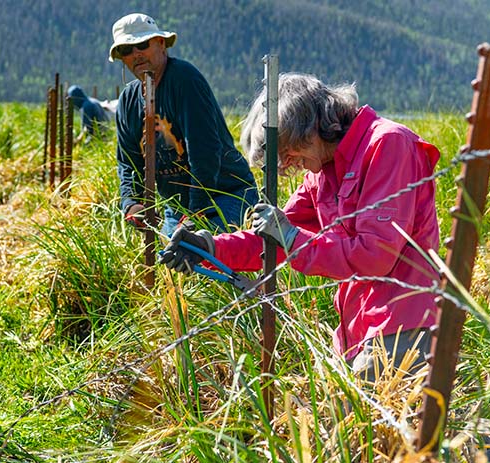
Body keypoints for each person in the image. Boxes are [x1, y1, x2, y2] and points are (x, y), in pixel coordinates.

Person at [159, 73, 442, 381]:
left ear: (312, 128)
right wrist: (210, 248)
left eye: (289, 151)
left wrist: (292, 237)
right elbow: (271, 239)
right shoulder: (323, 169)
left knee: (363, 424)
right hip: (357, 328)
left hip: (403, 326)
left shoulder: (387, 145)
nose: (288, 164)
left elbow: (375, 256)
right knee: (345, 420)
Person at [108, 13, 258, 236]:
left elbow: (204, 151)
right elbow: (128, 162)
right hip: (178, 207)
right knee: (173, 264)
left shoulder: (185, 80)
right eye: (126, 50)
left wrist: (196, 213)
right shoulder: (129, 101)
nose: (136, 54)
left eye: (142, 44)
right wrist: (132, 202)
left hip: (225, 195)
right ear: (121, 58)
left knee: (205, 261)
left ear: (161, 44)